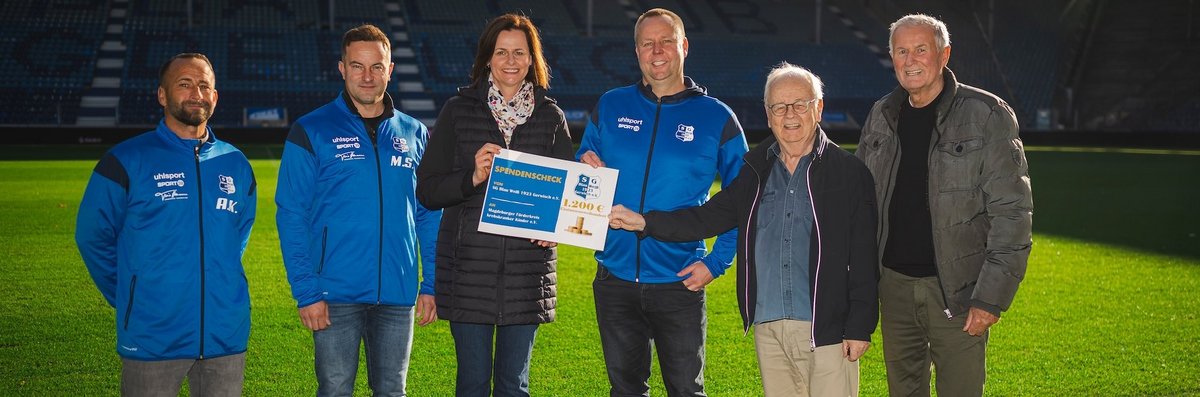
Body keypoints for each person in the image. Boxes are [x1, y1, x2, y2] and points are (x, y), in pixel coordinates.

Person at [609, 63, 879, 397]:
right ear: (768, 115)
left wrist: (860, 327)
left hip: (827, 329)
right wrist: (644, 222)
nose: (789, 115)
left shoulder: (850, 173)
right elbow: (706, 218)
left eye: (800, 104)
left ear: (819, 108)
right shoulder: (756, 169)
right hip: (769, 326)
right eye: (779, 107)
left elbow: (866, 256)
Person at [855, 14, 1033, 397]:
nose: (911, 59)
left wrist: (990, 298)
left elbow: (1013, 214)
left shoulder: (986, 115)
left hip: (959, 292)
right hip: (895, 289)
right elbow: (860, 205)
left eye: (921, 49)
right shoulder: (880, 116)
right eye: (901, 51)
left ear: (944, 54)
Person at [576, 8, 748, 396]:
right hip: (614, 279)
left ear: (683, 46)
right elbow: (585, 165)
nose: (657, 51)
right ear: (636, 51)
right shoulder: (611, 105)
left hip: (679, 281)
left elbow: (742, 199)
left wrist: (716, 263)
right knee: (625, 392)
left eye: (666, 41)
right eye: (647, 43)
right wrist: (582, 163)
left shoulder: (717, 117)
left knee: (686, 391)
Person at [76, 52, 257, 396]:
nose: (196, 94)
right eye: (184, 84)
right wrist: (133, 294)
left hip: (225, 335)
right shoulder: (126, 160)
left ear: (215, 97)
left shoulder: (236, 163)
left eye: (204, 85)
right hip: (153, 336)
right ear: (162, 95)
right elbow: (91, 236)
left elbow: (237, 236)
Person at [275, 24, 441, 396]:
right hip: (334, 295)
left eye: (376, 67)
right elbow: (291, 214)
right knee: (335, 390)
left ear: (390, 69)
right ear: (341, 68)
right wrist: (307, 292)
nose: (367, 76)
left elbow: (429, 215)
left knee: (392, 390)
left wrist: (431, 283)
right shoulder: (311, 129)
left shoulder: (414, 133)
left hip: (397, 294)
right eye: (357, 66)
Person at [414, 14, 573, 397]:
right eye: (501, 51)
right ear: (487, 58)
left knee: (514, 387)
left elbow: (568, 200)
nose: (510, 60)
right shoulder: (457, 110)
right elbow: (428, 191)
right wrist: (470, 177)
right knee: (471, 384)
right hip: (468, 275)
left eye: (519, 52)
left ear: (532, 60)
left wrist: (555, 230)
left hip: (527, 276)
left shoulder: (551, 116)